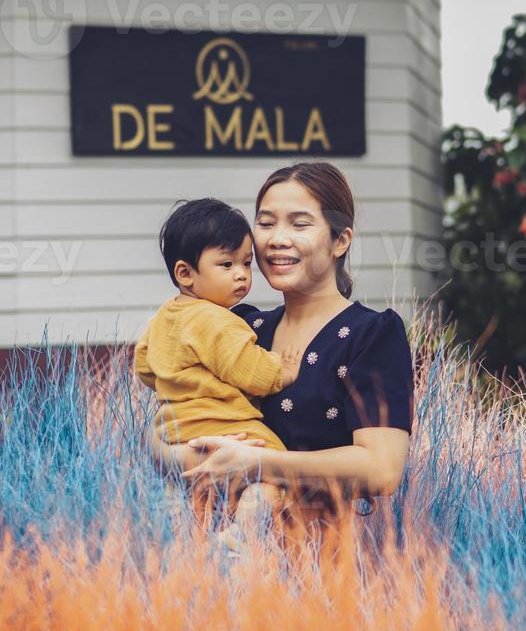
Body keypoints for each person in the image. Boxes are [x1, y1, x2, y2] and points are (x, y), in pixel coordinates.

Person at [150, 162, 414, 545]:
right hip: (204, 550)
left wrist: (257, 464)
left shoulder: (369, 335)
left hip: (314, 561)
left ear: (340, 240)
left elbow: (382, 468)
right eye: (267, 222)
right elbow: (166, 422)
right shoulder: (240, 326)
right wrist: (186, 459)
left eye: (299, 224)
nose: (277, 239)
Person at [133, 198, 302, 551]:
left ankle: (179, 529)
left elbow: (145, 367)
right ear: (185, 273)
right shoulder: (218, 321)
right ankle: (239, 537)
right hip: (227, 427)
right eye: (225, 264)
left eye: (245, 263)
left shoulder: (165, 317)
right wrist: (281, 370)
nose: (241, 274)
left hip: (179, 431)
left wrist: (177, 381)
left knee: (191, 489)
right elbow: (250, 372)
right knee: (275, 474)